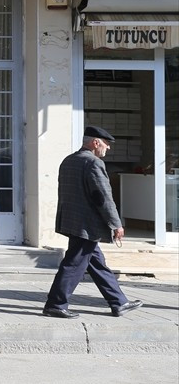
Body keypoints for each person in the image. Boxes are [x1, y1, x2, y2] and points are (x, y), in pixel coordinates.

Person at [43, 126, 143, 319]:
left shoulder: (69, 160)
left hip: (73, 221)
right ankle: (55, 304)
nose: (108, 148)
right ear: (95, 142)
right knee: (74, 265)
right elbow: (103, 197)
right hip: (86, 225)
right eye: (106, 144)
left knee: (97, 263)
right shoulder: (93, 163)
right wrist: (116, 223)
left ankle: (119, 302)